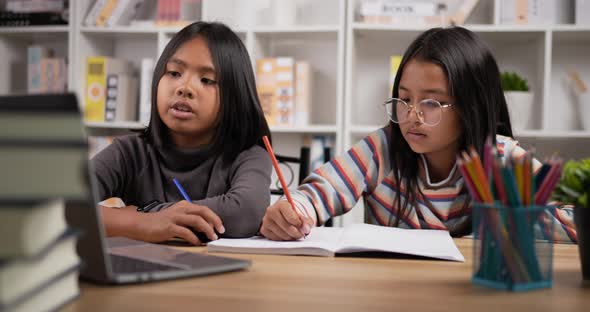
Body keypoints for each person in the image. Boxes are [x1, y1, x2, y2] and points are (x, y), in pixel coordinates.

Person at [260, 26, 576, 243]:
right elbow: (317, 194)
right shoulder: (381, 148)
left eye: (432, 102)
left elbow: (576, 224)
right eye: (405, 99)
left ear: (471, 107)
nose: (412, 116)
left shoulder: (502, 158)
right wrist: (293, 212)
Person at [92, 21, 272, 245]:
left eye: (207, 80)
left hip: (220, 275)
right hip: (146, 273)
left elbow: (246, 212)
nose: (184, 88)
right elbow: (57, 206)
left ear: (234, 97)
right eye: (174, 73)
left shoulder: (248, 154)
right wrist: (142, 224)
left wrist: (141, 214)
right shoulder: (129, 152)